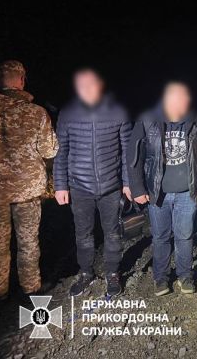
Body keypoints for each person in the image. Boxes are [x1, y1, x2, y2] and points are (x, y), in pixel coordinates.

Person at [127, 82, 197, 296]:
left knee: (184, 236)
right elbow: (134, 155)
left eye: (183, 100)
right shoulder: (148, 120)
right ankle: (161, 278)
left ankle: (186, 276)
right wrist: (137, 187)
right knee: (160, 237)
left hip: (187, 192)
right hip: (158, 192)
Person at [53, 68, 131, 297]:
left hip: (111, 186)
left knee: (113, 233)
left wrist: (128, 183)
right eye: (82, 85)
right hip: (79, 187)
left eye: (91, 84)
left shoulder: (118, 112)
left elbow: (127, 152)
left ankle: (113, 273)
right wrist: (60, 185)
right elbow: (61, 152)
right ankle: (86, 272)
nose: (87, 89)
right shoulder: (68, 114)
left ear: (100, 85)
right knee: (83, 234)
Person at [0, 60, 58, 299]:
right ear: (22, 80)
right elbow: (50, 150)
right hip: (27, 190)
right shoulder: (36, 113)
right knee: (28, 242)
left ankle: (0, 291)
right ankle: (30, 287)